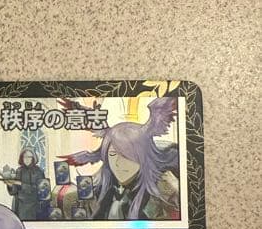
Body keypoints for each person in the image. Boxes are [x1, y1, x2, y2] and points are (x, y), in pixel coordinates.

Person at [61, 91, 180, 220]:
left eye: (126, 156)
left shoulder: (163, 189)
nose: (118, 163)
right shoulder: (105, 182)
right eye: (112, 154)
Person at [0, 147, 45, 220]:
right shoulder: (19, 170)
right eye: (25, 157)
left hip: (32, 206)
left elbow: (40, 190)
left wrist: (21, 184)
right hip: (19, 206)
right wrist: (10, 185)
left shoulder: (38, 171)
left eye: (29, 157)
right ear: (22, 158)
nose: (27, 159)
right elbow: (14, 192)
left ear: (33, 158)